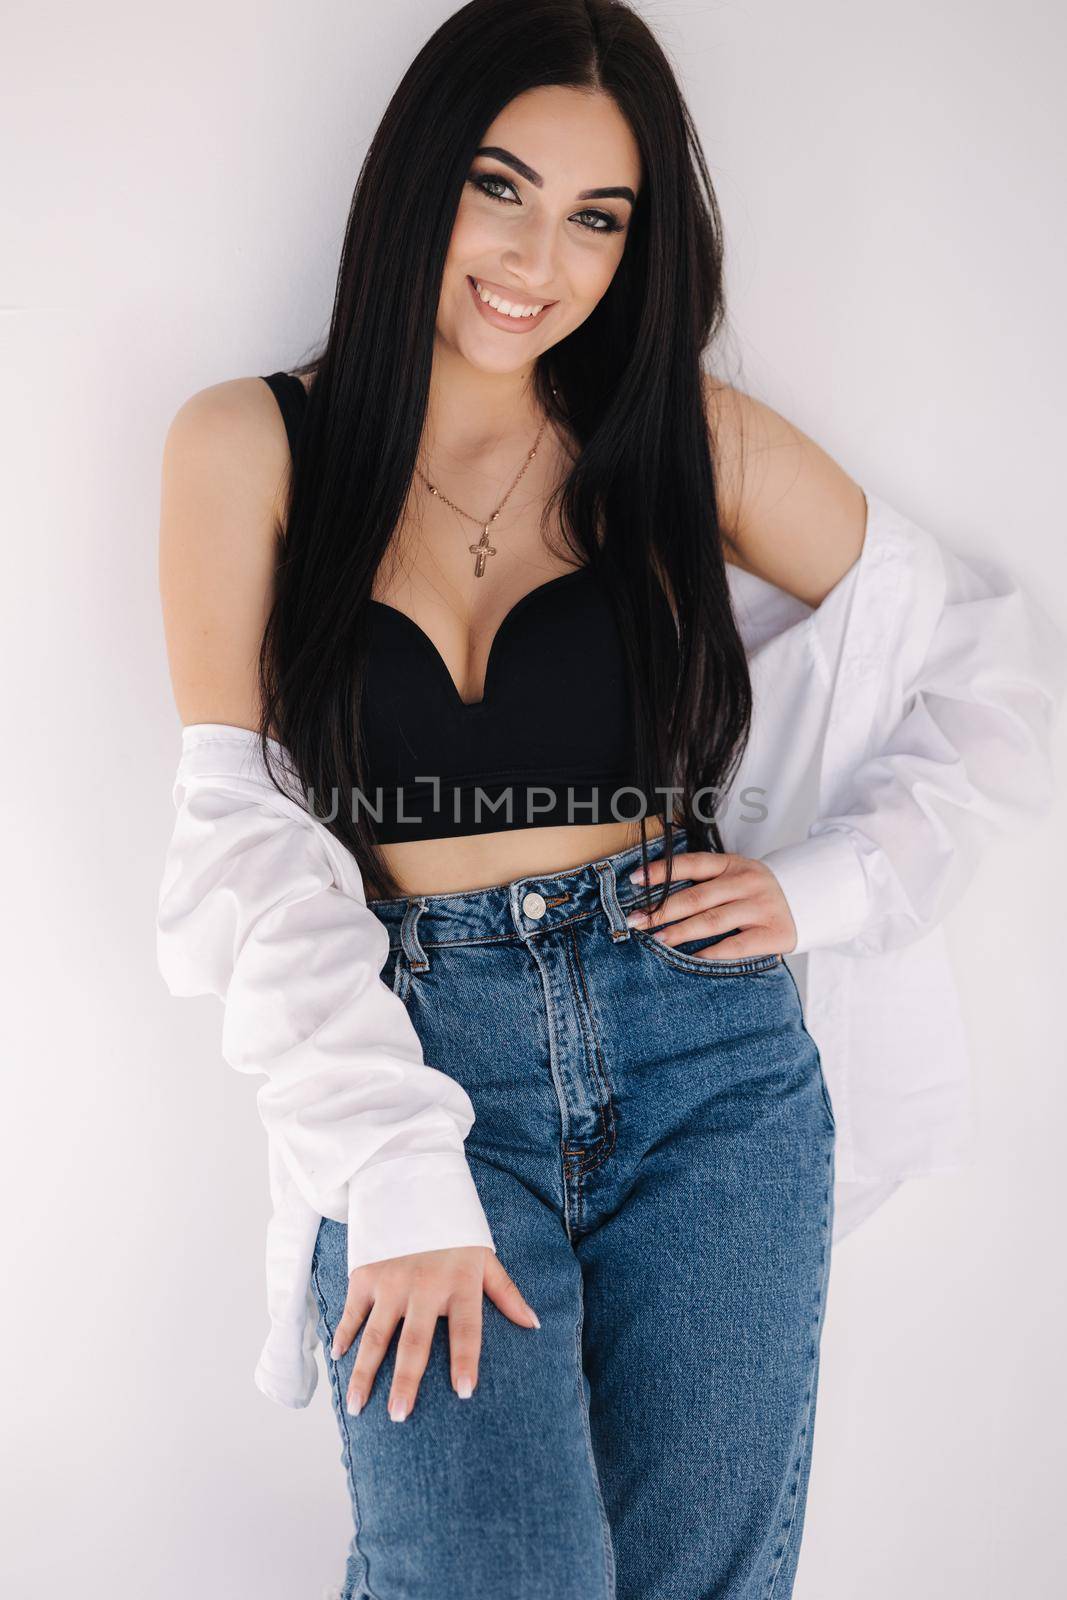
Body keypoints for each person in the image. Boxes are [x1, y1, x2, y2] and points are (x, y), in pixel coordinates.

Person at [154, 3, 1066, 1597]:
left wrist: (833, 884)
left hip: (709, 1062)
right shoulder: (251, 443)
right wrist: (393, 1167)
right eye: (500, 189)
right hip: (419, 1058)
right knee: (486, 1574)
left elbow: (1000, 669)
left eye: (597, 218)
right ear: (418, 180)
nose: (537, 259)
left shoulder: (676, 442)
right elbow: (235, 833)